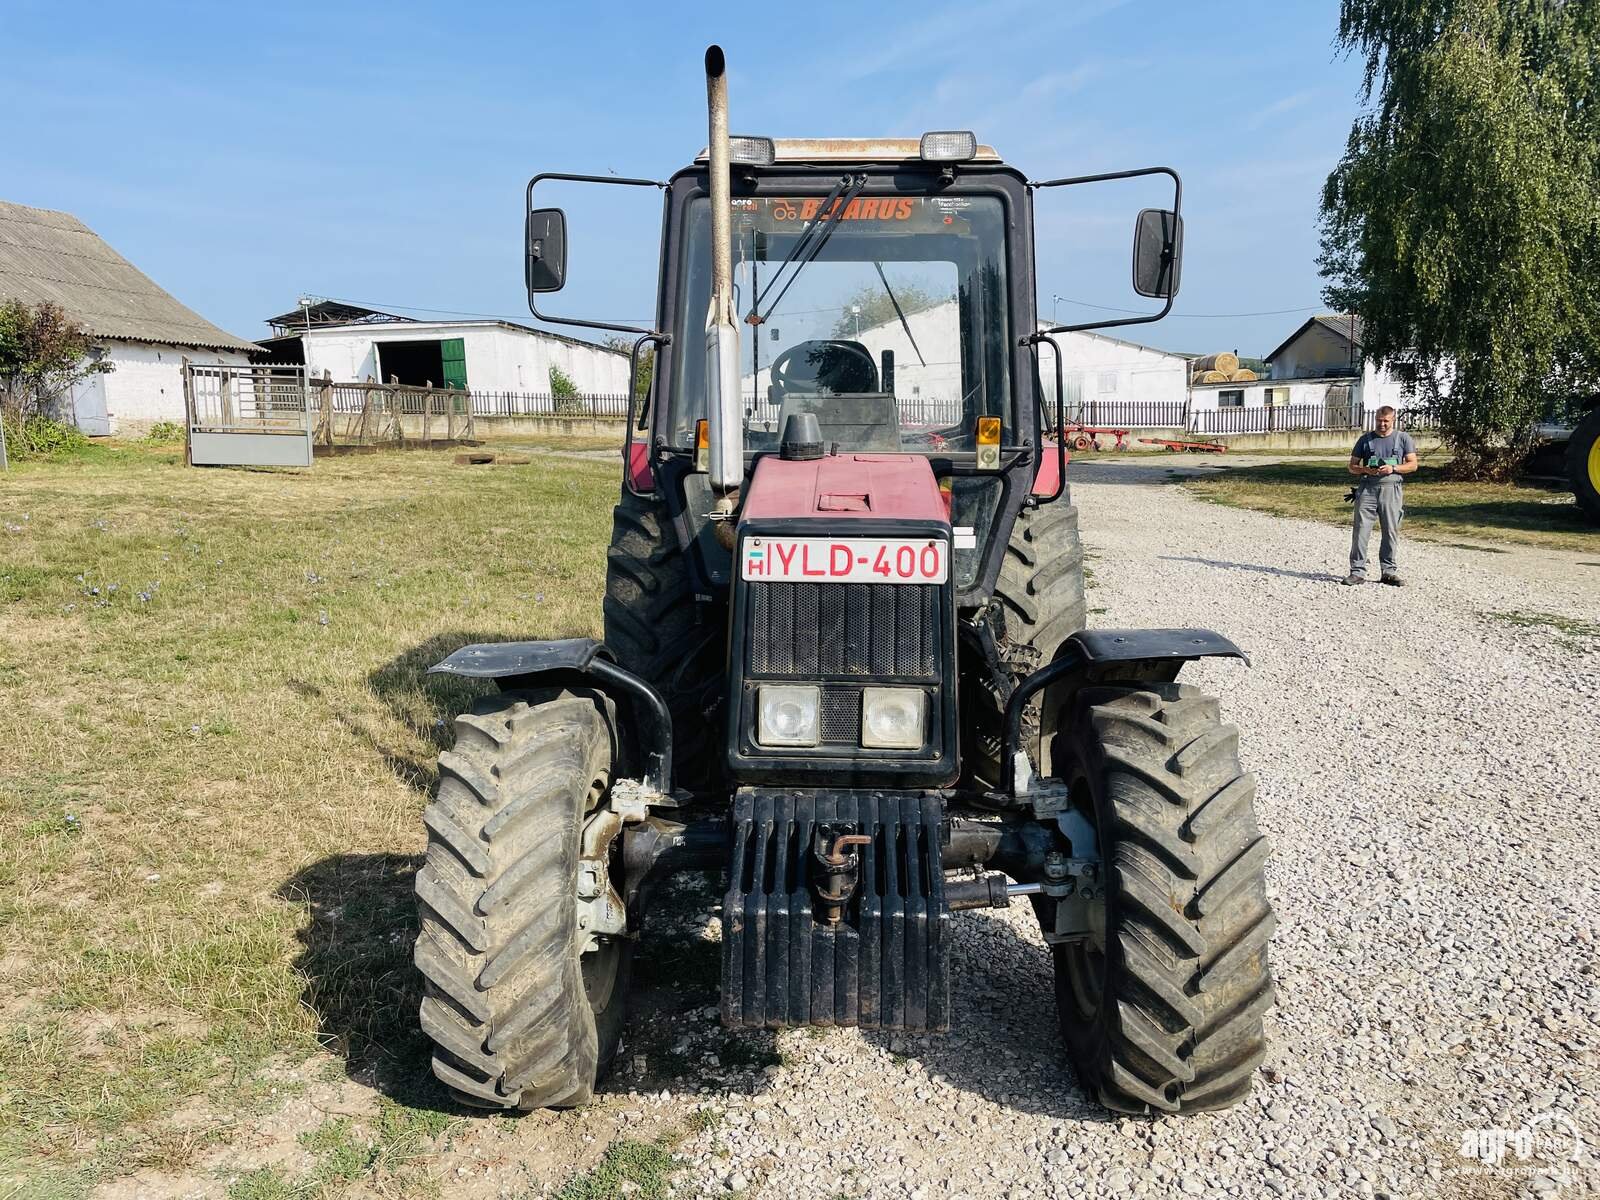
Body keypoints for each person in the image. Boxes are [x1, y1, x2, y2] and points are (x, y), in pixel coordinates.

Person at [1344, 406, 1418, 586]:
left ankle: (1388, 572)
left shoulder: (1403, 439)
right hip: (1367, 488)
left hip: (1391, 489)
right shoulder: (1365, 439)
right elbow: (1351, 466)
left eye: (1386, 421)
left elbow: (1413, 464)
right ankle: (1357, 572)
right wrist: (1363, 469)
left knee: (1391, 530)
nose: (1382, 424)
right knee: (1361, 530)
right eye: (1379, 420)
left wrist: (1394, 468)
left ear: (1393, 420)